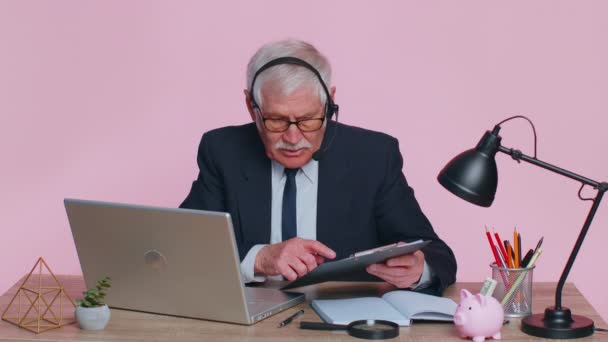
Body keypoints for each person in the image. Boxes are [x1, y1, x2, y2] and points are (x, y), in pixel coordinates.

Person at [181, 39, 456, 295]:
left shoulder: (373, 156)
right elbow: (183, 247)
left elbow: (439, 256)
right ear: (251, 106)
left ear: (329, 101)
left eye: (309, 119)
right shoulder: (222, 151)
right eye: (276, 120)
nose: (292, 138)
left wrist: (419, 270)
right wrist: (260, 258)